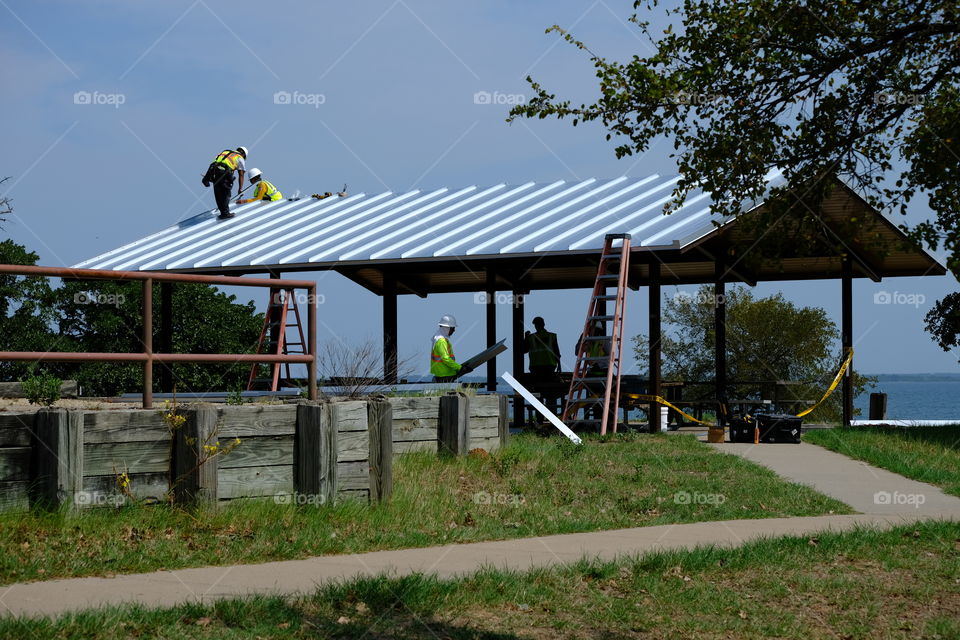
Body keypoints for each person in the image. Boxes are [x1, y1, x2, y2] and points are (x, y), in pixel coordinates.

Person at [523, 316, 562, 414]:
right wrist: (559, 366)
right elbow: (557, 353)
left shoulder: (531, 337)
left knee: (538, 393)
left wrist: (525, 338)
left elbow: (523, 350)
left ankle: (540, 417)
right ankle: (552, 415)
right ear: (544, 324)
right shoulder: (551, 336)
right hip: (549, 368)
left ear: (536, 326)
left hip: (536, 369)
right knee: (551, 392)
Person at [202, 146, 248, 219]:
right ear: (244, 155)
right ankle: (225, 213)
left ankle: (222, 212)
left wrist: (209, 175)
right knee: (226, 192)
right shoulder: (240, 158)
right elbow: (241, 174)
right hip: (223, 172)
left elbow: (216, 162)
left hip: (213, 169)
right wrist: (240, 188)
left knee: (218, 192)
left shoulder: (226, 152)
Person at [430, 314, 469, 382]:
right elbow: (445, 358)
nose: (454, 330)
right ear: (446, 328)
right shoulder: (441, 341)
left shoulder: (441, 340)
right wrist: (459, 368)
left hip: (444, 374)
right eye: (452, 328)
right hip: (444, 374)